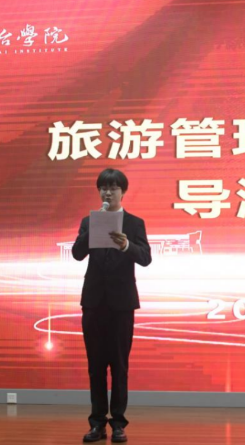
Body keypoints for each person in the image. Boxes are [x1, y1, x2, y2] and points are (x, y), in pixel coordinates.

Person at [72, 168, 152, 443]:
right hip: (94, 303)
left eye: (113, 188)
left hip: (121, 304)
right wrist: (92, 229)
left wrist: (127, 245)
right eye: (103, 188)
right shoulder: (88, 221)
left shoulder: (134, 223)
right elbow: (77, 254)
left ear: (123, 191)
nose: (108, 192)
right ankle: (97, 423)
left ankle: (118, 423)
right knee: (95, 366)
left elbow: (145, 258)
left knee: (119, 365)